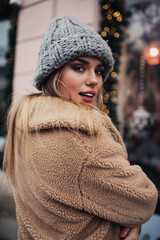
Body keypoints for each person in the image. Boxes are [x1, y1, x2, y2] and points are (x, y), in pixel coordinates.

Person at [3, 16, 158, 240]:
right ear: (54, 73)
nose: (94, 80)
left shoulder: (28, 123)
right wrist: (132, 222)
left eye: (98, 70)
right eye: (79, 67)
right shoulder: (79, 138)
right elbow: (144, 200)